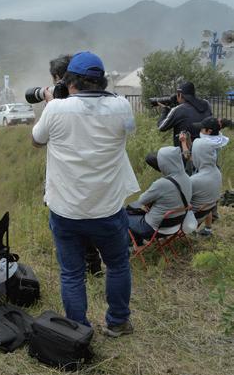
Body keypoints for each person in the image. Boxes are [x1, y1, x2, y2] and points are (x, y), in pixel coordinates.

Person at [31, 51, 139, 337]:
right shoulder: (122, 106)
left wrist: (52, 102)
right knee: (117, 265)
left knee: (72, 273)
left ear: (69, 81)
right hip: (108, 208)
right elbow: (129, 130)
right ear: (102, 80)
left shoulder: (56, 109)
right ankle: (118, 322)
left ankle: (78, 331)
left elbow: (36, 140)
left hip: (66, 210)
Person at [44, 54, 103, 277]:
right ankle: (93, 263)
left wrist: (52, 105)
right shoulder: (96, 101)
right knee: (87, 217)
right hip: (93, 170)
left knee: (68, 220)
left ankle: (82, 263)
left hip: (68, 173)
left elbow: (39, 138)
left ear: (60, 78)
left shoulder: (60, 107)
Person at [127, 146, 192, 244]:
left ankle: (134, 244)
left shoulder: (162, 183)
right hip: (176, 226)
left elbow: (141, 200)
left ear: (164, 164)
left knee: (123, 214)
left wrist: (149, 203)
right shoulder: (187, 178)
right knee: (138, 210)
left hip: (153, 229)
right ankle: (137, 242)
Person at [158, 81, 212, 147]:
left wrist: (165, 109)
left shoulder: (178, 109)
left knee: (162, 152)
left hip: (186, 151)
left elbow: (161, 127)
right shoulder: (206, 104)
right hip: (206, 148)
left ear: (180, 95)